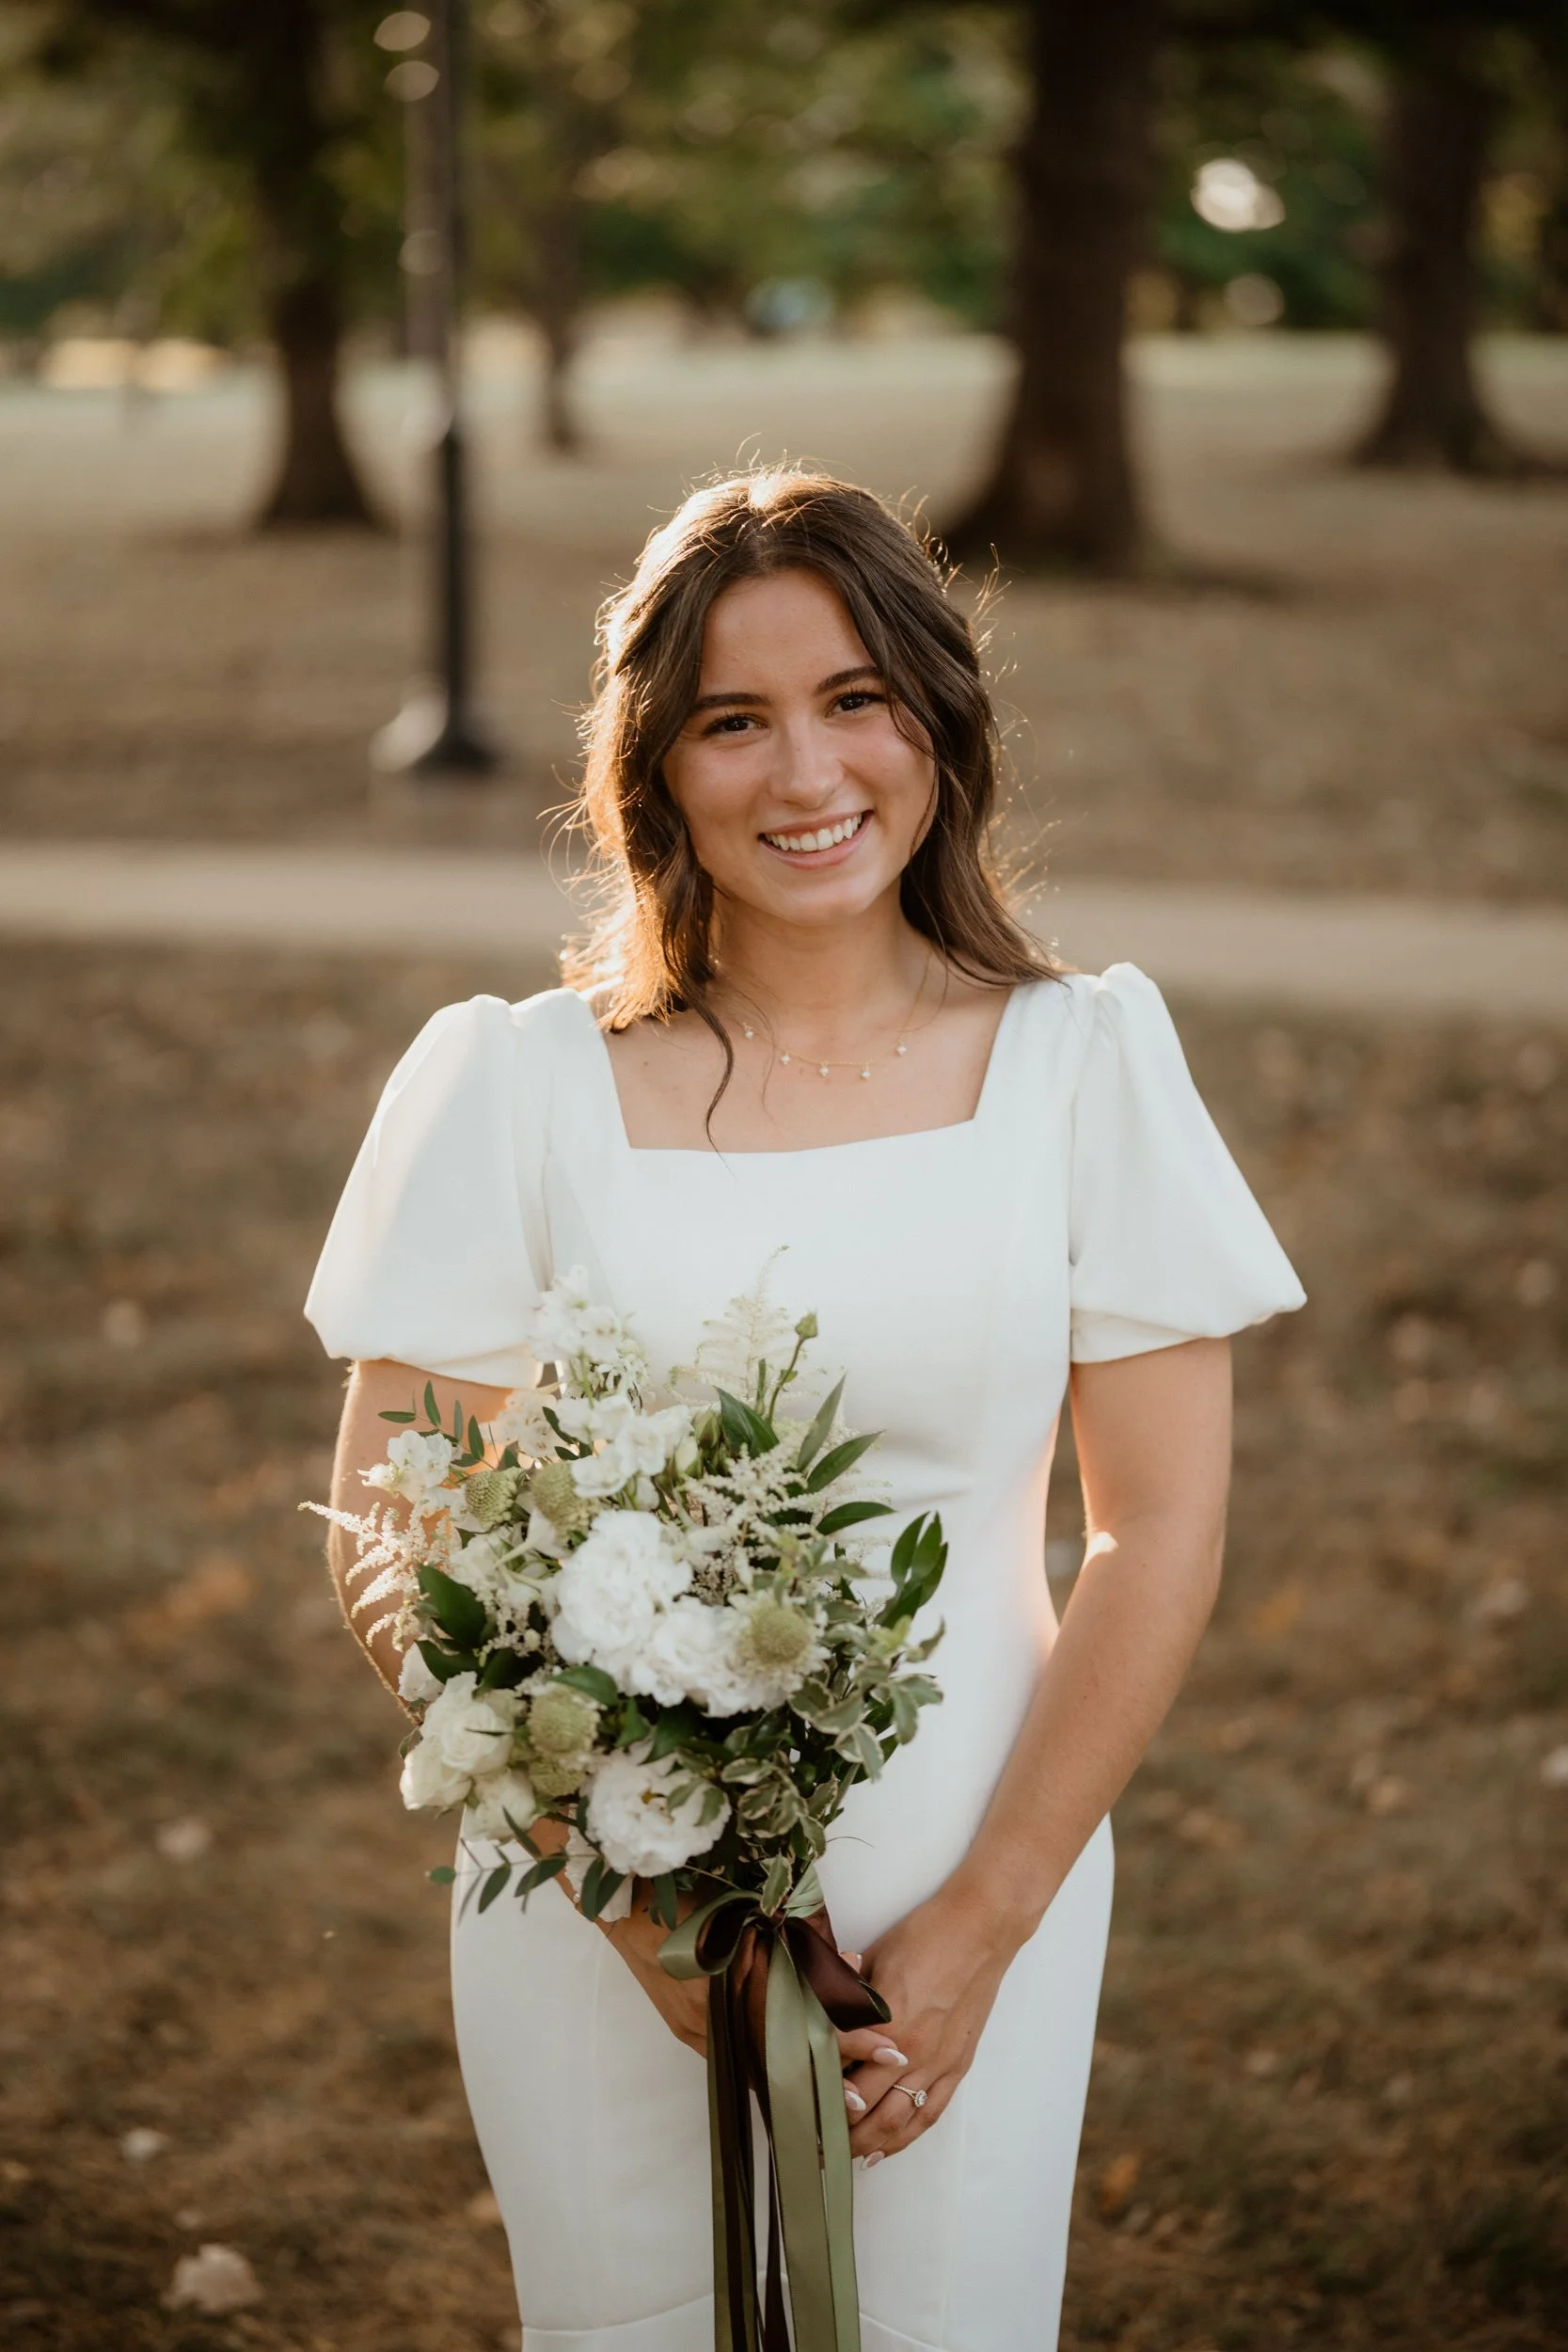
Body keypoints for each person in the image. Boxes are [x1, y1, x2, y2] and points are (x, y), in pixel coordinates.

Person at [306, 469, 1304, 2352]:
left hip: (972, 1861)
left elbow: (1154, 1528)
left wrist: (981, 1925)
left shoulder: (1083, 1067)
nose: (804, 775)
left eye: (854, 699)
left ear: (936, 718)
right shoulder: (515, 1089)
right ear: (652, 769)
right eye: (730, 720)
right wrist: (634, 1904)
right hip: (595, 1890)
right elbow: (390, 1525)